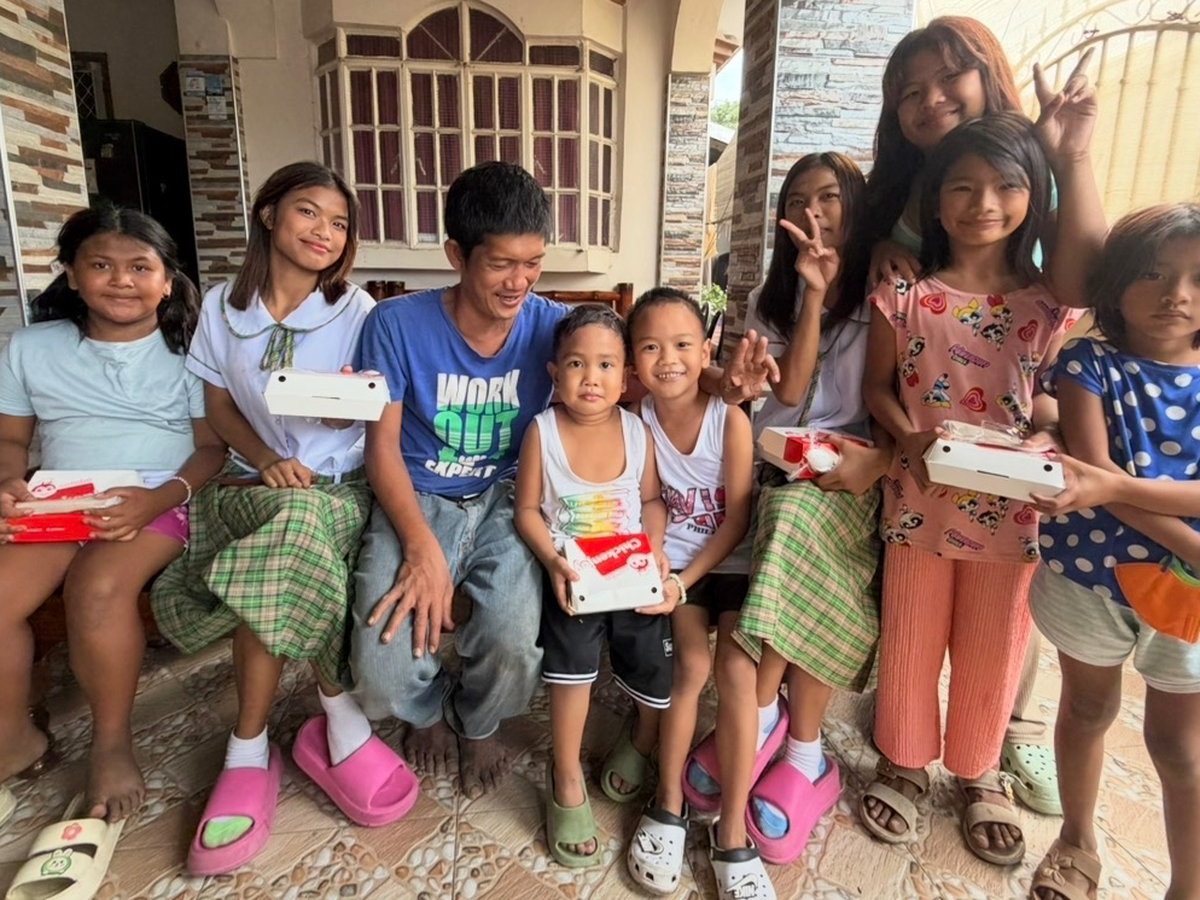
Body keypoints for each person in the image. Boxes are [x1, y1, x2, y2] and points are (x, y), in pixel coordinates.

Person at [861, 16, 1105, 814]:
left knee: (995, 646)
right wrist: (910, 440)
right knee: (910, 634)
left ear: (1032, 194)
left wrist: (1049, 432)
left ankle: (979, 768)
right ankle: (902, 758)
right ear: (934, 202)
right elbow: (878, 386)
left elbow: (1054, 384)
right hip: (920, 499)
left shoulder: (1048, 301)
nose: (983, 204)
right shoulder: (906, 289)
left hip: (1013, 515)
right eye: (961, 190)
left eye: (1004, 188)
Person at [152, 162, 416, 876]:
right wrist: (268, 456)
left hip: (339, 488)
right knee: (291, 526)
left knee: (295, 532)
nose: (324, 232)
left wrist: (341, 409)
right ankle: (339, 715)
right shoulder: (221, 309)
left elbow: (371, 410)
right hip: (250, 482)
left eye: (339, 223)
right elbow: (217, 407)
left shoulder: (357, 312)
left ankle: (247, 748)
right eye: (308, 212)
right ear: (268, 213)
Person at [676, 153, 893, 872]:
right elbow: (790, 391)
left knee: (799, 532)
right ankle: (792, 744)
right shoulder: (772, 299)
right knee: (784, 521)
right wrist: (810, 295)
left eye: (828, 197)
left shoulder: (885, 295)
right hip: (775, 462)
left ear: (855, 206)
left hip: (846, 472)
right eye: (798, 201)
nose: (813, 213)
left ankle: (778, 729)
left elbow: (888, 399)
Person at [0, 205, 224, 822]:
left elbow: (211, 449)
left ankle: (111, 743)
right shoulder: (31, 347)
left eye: (140, 267)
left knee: (96, 587)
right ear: (72, 274)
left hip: (156, 495)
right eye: (101, 265)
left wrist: (159, 498)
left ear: (167, 281)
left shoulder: (191, 353)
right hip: (58, 495)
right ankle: (14, 736)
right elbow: (12, 439)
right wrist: (9, 481)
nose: (121, 280)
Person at [351, 162, 566, 799]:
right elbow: (381, 448)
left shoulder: (553, 325)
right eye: (501, 264)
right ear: (456, 254)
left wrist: (718, 383)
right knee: (382, 665)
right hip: (417, 496)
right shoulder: (394, 324)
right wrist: (421, 547)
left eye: (533, 263)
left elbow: (631, 367)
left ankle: (479, 721)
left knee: (513, 637)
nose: (519, 281)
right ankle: (423, 709)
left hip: (509, 498)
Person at [1025, 204, 1200, 900]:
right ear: (1116, 281)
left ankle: (1187, 884)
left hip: (1186, 598)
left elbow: (1104, 482)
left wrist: (1116, 488)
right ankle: (1076, 839)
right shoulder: (1088, 362)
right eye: (1153, 273)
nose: (1176, 294)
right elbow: (1092, 473)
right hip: (1088, 578)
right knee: (1088, 711)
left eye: (1197, 278)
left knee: (1180, 747)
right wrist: (1188, 541)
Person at [512, 304, 677, 868]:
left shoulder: (636, 430)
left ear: (626, 377)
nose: (591, 377)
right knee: (572, 666)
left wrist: (653, 548)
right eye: (577, 364)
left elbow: (651, 501)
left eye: (606, 365)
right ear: (554, 373)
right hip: (575, 575)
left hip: (630, 572)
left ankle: (644, 736)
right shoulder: (542, 432)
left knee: (652, 657)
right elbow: (526, 510)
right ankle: (565, 773)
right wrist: (553, 560)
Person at [620, 288, 768, 898]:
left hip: (731, 563)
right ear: (633, 359)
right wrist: (657, 555)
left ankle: (732, 828)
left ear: (707, 350)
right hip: (680, 565)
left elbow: (736, 519)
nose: (668, 359)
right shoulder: (640, 421)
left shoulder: (729, 419)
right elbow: (653, 500)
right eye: (651, 347)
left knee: (737, 674)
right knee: (691, 667)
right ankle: (668, 801)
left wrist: (683, 579)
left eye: (682, 344)